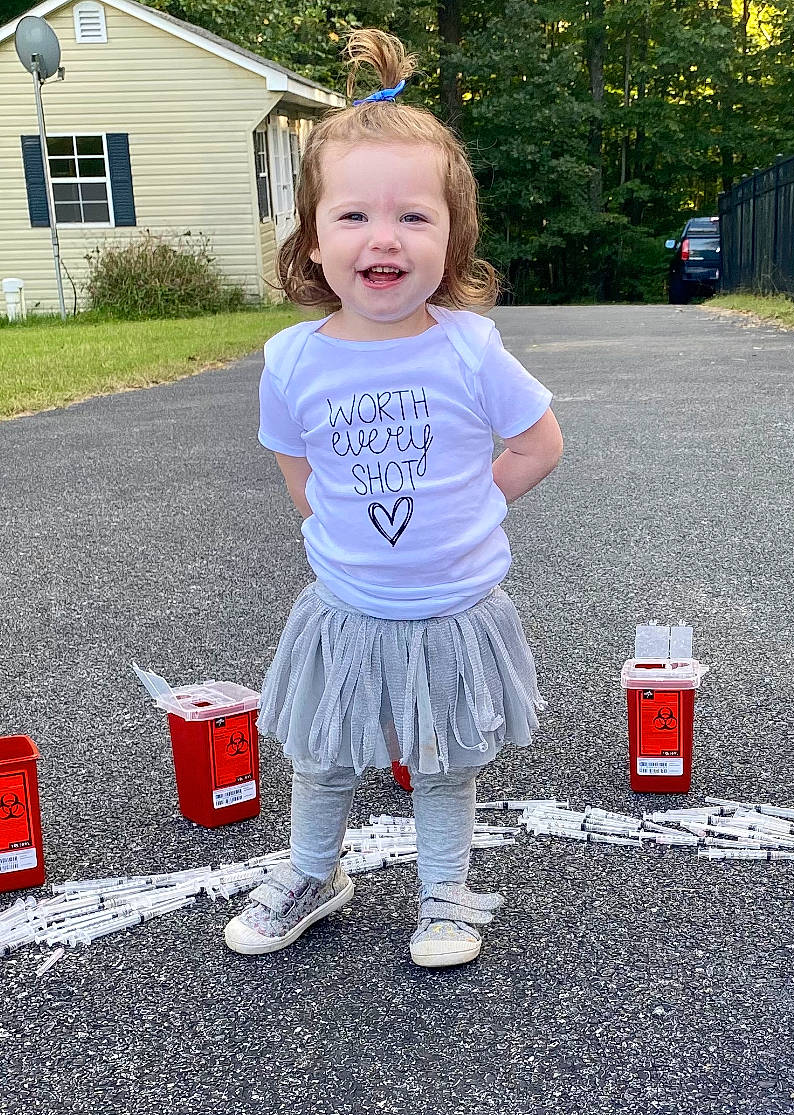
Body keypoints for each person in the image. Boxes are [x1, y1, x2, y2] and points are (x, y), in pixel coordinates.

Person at [224, 28, 563, 968]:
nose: (385, 237)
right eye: (355, 218)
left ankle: (446, 891)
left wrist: (470, 510)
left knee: (444, 759)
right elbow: (297, 467)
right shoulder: (291, 358)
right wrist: (340, 531)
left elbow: (539, 443)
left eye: (414, 217)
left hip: (454, 609)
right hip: (346, 607)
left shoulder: (467, 346)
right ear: (314, 241)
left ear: (450, 240)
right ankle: (311, 871)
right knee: (323, 751)